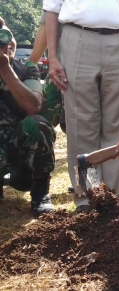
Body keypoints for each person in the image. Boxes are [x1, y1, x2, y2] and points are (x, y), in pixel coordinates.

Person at [43, 0, 119, 212]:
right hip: (78, 37)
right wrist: (52, 56)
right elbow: (52, 9)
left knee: (118, 125)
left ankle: (112, 196)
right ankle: (86, 198)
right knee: (81, 124)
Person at [0, 17, 56, 217]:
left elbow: (33, 106)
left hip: (17, 150)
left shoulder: (26, 70)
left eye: (8, 37)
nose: (6, 44)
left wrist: (5, 69)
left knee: (38, 124)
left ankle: (40, 193)